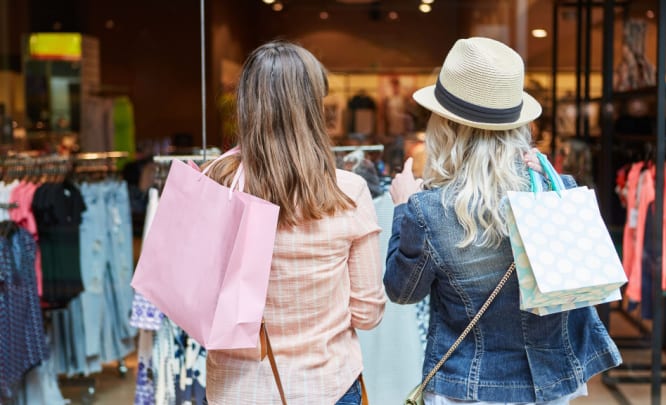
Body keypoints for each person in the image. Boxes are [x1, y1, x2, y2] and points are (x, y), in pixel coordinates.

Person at [383, 37, 622, 404]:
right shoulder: (556, 192)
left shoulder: (428, 210)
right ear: (516, 125)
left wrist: (402, 208)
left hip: (466, 387)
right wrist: (546, 177)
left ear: (445, 126)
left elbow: (402, 292)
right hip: (549, 384)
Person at [203, 40, 386, 404]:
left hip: (237, 390)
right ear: (314, 108)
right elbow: (366, 314)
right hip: (326, 384)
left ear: (246, 106)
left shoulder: (215, 184)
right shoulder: (348, 191)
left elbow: (195, 297)